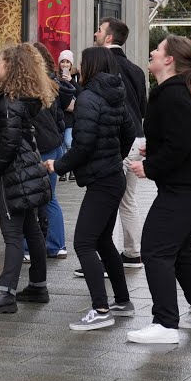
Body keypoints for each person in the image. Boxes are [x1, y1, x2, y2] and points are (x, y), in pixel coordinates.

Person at [125, 35, 191, 343]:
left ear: (168, 60)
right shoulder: (174, 92)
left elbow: (180, 145)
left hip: (186, 189)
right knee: (178, 250)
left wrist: (149, 166)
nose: (152, 52)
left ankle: (165, 324)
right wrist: (151, 151)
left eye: (158, 49)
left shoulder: (172, 95)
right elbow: (178, 139)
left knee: (155, 250)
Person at [44, 47, 135, 329]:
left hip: (102, 180)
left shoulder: (88, 98)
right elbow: (129, 132)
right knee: (103, 240)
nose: (78, 67)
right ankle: (122, 301)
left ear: (92, 65)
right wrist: (113, 156)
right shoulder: (115, 94)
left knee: (83, 242)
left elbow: (82, 146)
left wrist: (57, 166)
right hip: (112, 176)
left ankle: (101, 309)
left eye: (82, 62)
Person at [0, 43, 54, 314]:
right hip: (27, 169)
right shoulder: (20, 98)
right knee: (31, 230)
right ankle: (38, 285)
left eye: (2, 63)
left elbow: (7, 144)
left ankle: (5, 292)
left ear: (13, 68)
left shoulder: (10, 102)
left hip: (15, 174)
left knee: (12, 234)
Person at [96, 17, 148, 271]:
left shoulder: (102, 66)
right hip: (137, 139)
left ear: (108, 38)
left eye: (99, 30)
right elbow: (142, 107)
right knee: (127, 199)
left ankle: (107, 258)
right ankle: (132, 253)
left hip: (116, 140)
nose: (95, 33)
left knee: (106, 197)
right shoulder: (137, 70)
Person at [21, 41, 73, 266]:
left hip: (34, 148)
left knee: (27, 199)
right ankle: (57, 245)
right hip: (52, 145)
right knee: (50, 198)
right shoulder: (50, 85)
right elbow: (59, 118)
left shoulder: (22, 87)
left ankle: (27, 248)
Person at [57, 49, 80, 182]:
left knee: (69, 142)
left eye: (67, 62)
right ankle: (62, 170)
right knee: (60, 144)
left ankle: (71, 169)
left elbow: (81, 93)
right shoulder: (55, 76)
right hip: (60, 114)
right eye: (62, 62)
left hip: (71, 115)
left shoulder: (76, 76)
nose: (65, 65)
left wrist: (72, 81)